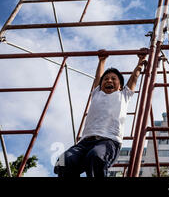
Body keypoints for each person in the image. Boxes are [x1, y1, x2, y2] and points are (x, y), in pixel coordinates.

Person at [54, 49, 148, 177]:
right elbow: (98, 77)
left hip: (108, 141)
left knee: (96, 157)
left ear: (120, 86)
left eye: (113, 79)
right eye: (106, 79)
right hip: (85, 142)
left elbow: (134, 77)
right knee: (64, 161)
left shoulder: (124, 95)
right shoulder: (97, 93)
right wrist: (102, 61)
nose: (109, 81)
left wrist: (141, 61)